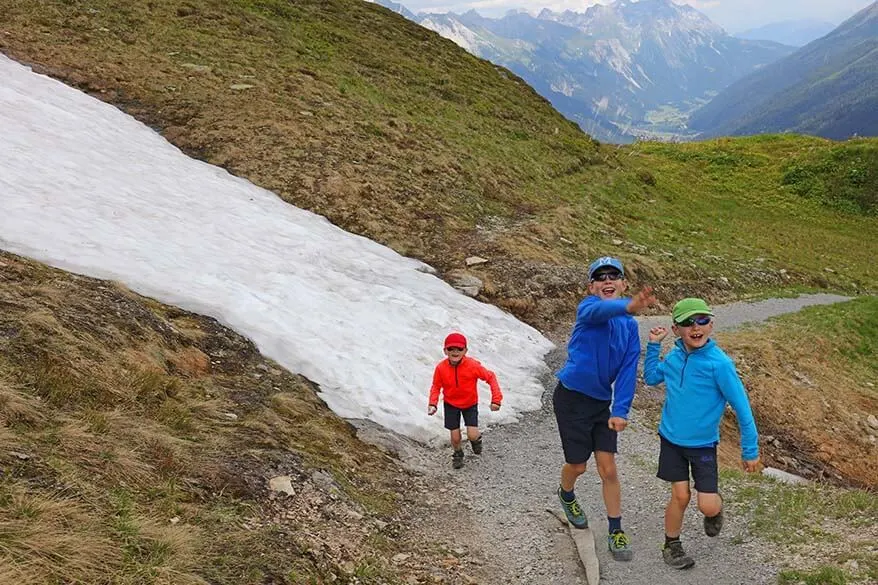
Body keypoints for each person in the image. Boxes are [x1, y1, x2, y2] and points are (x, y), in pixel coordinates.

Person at [644, 297, 760, 570]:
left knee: (706, 505)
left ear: (711, 325)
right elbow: (651, 378)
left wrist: (750, 450)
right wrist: (652, 346)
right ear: (676, 329)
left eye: (702, 321)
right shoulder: (673, 356)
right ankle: (672, 545)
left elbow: (743, 409)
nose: (696, 327)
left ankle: (716, 509)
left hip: (703, 445)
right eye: (687, 322)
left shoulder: (719, 365)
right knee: (681, 495)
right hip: (670, 440)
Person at [554, 256, 656, 562]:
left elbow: (627, 372)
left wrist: (620, 410)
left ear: (624, 283)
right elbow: (602, 310)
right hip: (571, 399)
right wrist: (627, 306)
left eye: (614, 276)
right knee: (578, 465)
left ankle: (616, 530)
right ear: (591, 286)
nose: (607, 280)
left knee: (608, 469)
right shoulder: (588, 310)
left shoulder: (629, 330)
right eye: (601, 277)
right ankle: (566, 493)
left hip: (600, 404)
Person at [428, 332, 502, 469]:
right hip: (450, 404)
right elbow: (436, 386)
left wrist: (496, 399)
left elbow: (490, 377)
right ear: (445, 351)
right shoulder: (440, 368)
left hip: (470, 404)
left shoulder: (472, 366)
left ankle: (476, 440)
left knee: (472, 435)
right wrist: (432, 404)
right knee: (455, 438)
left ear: (465, 351)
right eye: (451, 349)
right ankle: (458, 454)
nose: (455, 352)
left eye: (459, 349)